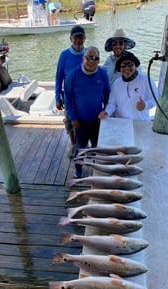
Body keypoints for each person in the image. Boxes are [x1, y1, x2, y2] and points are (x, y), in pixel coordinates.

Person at [64, 46, 110, 178]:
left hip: (97, 120)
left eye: (95, 58)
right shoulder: (73, 75)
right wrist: (73, 118)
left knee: (97, 147)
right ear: (83, 58)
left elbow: (107, 95)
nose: (92, 61)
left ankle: (97, 169)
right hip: (80, 122)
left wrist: (106, 111)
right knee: (80, 147)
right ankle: (78, 170)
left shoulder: (102, 73)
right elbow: (67, 98)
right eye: (89, 57)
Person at [99, 51, 158, 121]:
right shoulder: (117, 83)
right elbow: (112, 103)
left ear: (135, 65)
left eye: (130, 64)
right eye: (123, 66)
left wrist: (145, 105)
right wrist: (107, 112)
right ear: (120, 69)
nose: (127, 68)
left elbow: (155, 99)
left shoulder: (146, 80)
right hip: (121, 122)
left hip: (141, 122)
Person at [55, 25, 86, 158]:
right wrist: (57, 97)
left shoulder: (89, 54)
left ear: (85, 38)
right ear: (70, 39)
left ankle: (83, 145)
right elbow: (59, 77)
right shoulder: (64, 55)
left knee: (84, 122)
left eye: (81, 37)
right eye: (75, 37)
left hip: (84, 97)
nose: (78, 40)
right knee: (70, 122)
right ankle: (74, 144)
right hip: (68, 97)